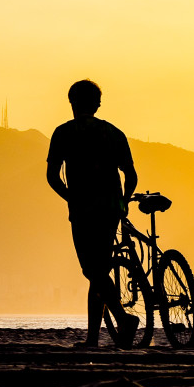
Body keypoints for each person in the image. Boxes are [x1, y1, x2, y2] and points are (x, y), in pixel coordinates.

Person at [46, 79, 139, 348]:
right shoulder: (114, 133)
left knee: (92, 269)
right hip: (111, 209)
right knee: (98, 270)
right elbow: (130, 175)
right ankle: (92, 338)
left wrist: (70, 197)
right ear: (98, 104)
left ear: (72, 102)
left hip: (84, 210)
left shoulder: (64, 133)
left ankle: (123, 318)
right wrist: (124, 201)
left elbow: (52, 176)